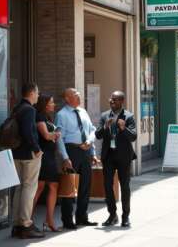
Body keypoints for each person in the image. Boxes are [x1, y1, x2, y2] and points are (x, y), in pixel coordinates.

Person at [55, 88, 98, 228]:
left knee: (85, 185)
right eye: (75, 95)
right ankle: (67, 220)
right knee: (69, 186)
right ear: (67, 98)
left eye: (79, 95)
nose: (79, 97)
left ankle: (82, 217)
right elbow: (59, 138)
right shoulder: (61, 115)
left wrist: (92, 149)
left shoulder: (83, 112)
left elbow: (92, 130)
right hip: (71, 151)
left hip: (85, 151)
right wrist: (65, 158)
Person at [96, 91, 137, 227]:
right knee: (107, 185)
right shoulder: (104, 116)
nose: (111, 101)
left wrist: (123, 127)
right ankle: (112, 215)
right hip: (109, 155)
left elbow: (133, 136)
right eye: (111, 99)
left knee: (125, 186)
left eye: (114, 100)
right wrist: (105, 126)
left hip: (123, 156)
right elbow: (98, 135)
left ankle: (125, 216)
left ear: (121, 101)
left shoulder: (129, 116)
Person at [11, 83, 44, 239]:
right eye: (37, 93)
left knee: (19, 188)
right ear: (31, 93)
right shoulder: (30, 110)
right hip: (29, 154)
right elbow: (27, 132)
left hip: (16, 153)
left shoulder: (16, 108)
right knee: (29, 188)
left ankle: (17, 223)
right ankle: (25, 223)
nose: (38, 95)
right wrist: (37, 149)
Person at [31, 93, 62, 233]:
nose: (53, 104)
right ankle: (28, 220)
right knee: (40, 187)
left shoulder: (47, 117)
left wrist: (54, 134)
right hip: (43, 157)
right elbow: (45, 135)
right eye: (51, 102)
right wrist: (56, 134)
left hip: (49, 156)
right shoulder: (40, 116)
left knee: (52, 185)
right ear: (44, 104)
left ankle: (49, 219)